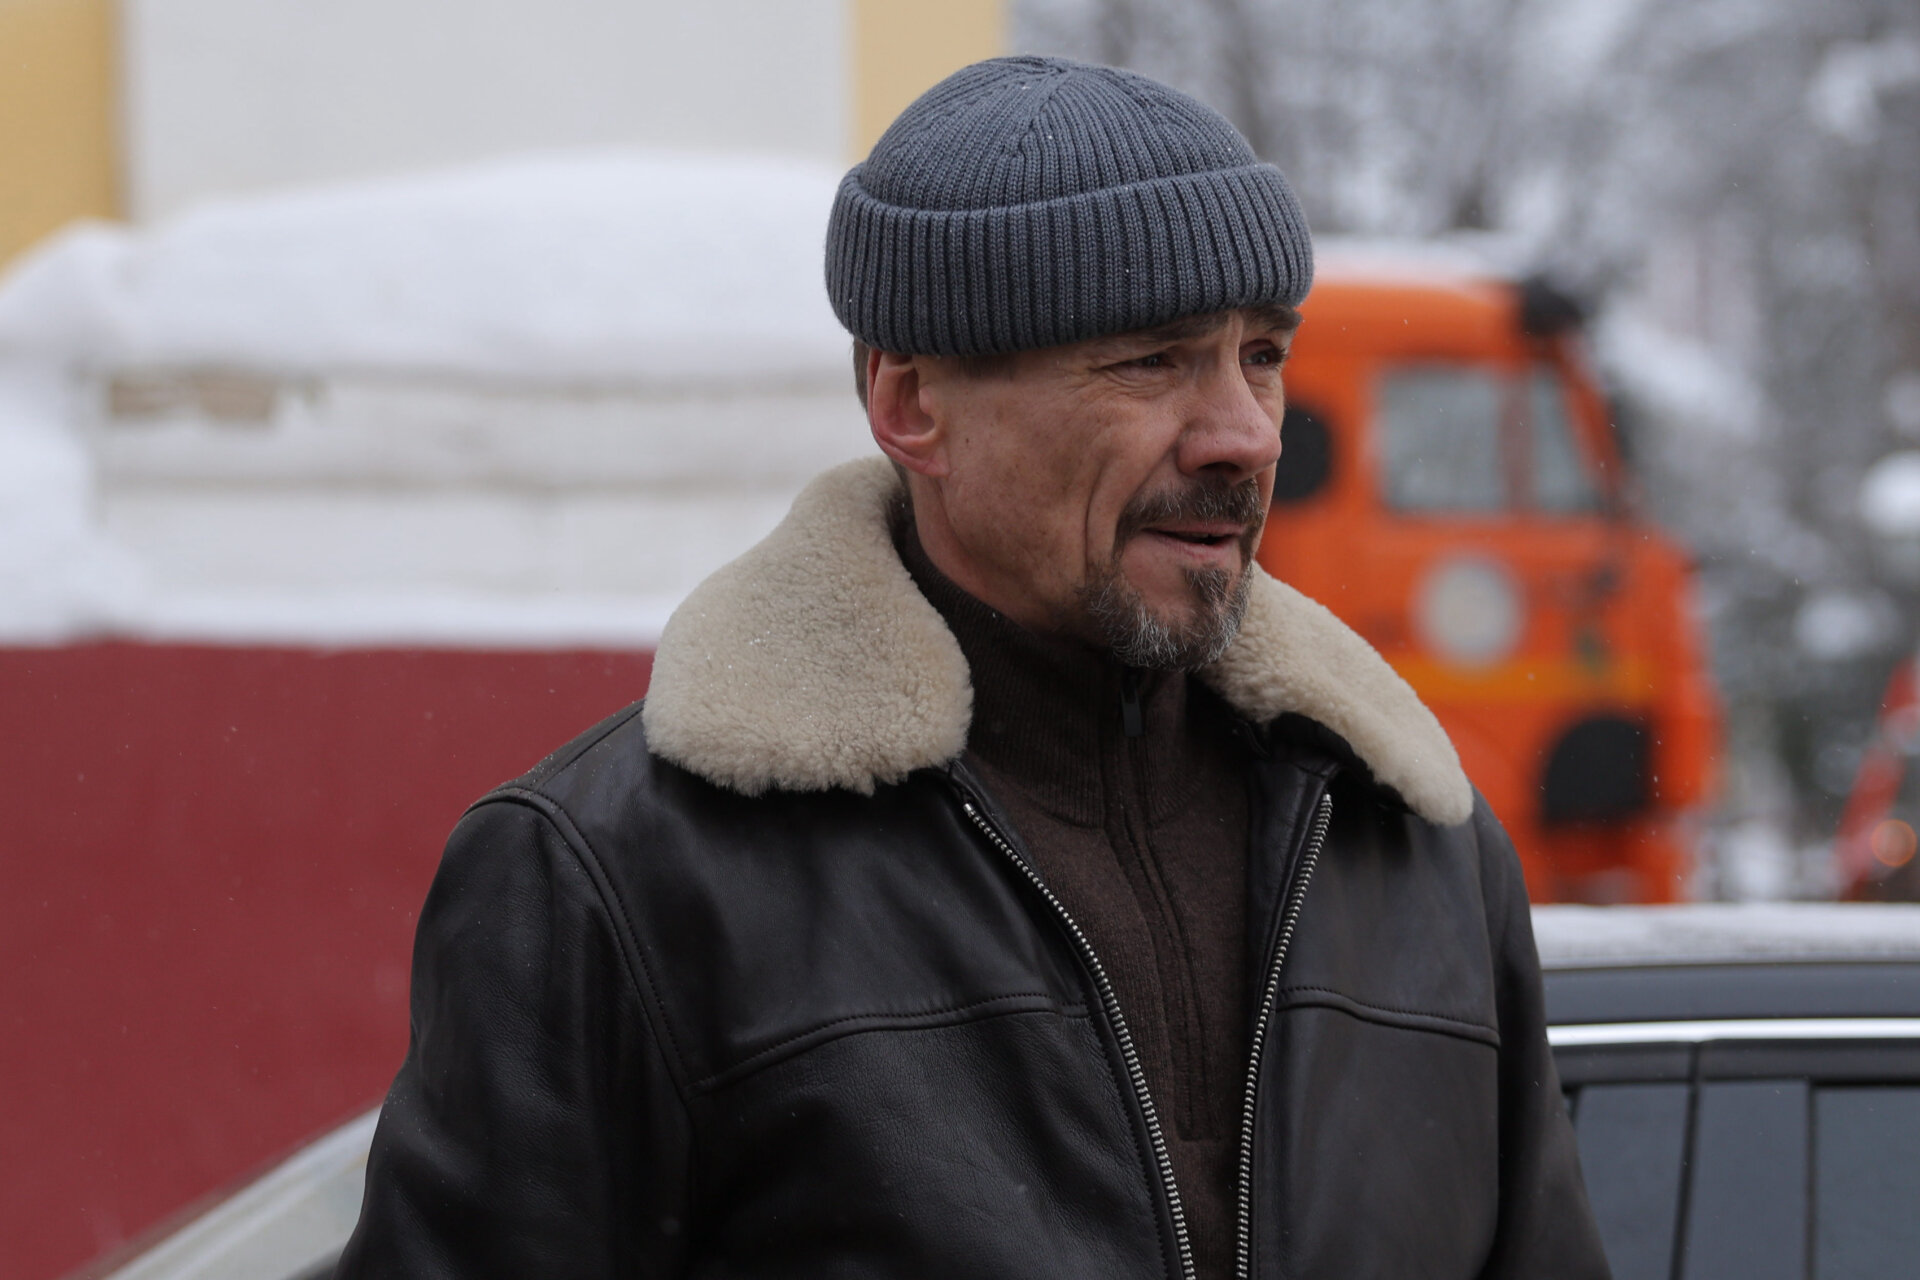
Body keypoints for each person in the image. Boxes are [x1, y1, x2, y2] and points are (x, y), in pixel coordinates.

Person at [337, 55, 1609, 1279]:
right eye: (1151, 359)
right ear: (913, 405)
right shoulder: (618, 877)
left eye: (1262, 355)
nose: (1244, 434)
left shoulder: (1417, 848)